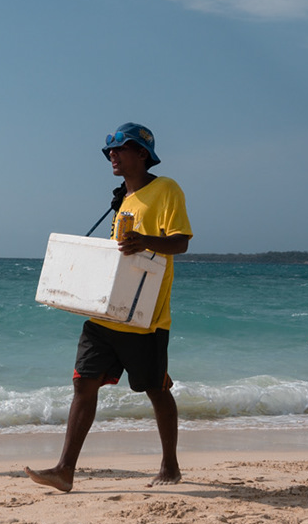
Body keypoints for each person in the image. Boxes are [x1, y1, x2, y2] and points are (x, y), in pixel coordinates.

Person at [27, 123, 191, 492]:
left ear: (142, 154)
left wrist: (145, 240)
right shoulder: (122, 202)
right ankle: (64, 470)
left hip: (145, 319)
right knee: (83, 384)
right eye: (109, 151)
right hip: (105, 314)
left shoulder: (166, 189)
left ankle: (170, 465)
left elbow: (180, 243)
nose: (112, 156)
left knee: (156, 389)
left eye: (120, 149)